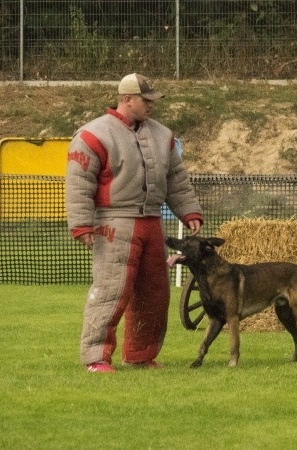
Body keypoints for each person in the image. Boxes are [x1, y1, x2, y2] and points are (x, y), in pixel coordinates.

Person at [65, 73, 203, 373]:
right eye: (146, 100)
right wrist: (81, 225)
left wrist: (189, 211)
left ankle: (140, 355)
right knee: (111, 291)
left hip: (152, 223)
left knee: (155, 293)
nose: (152, 105)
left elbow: (176, 180)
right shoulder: (92, 135)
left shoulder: (163, 135)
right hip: (113, 221)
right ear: (127, 99)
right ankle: (96, 357)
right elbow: (78, 183)